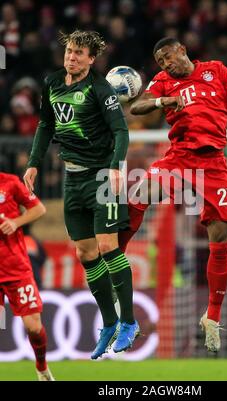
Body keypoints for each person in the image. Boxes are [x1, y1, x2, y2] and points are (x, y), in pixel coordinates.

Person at [118, 37, 227, 352]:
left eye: (168, 57)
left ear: (182, 50)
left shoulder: (216, 71)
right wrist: (161, 102)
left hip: (214, 165)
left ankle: (212, 316)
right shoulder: (164, 81)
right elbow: (137, 106)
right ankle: (116, 258)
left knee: (221, 237)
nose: (166, 65)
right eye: (161, 62)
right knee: (141, 193)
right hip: (179, 157)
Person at [23, 30, 139, 359]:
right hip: (72, 179)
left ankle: (129, 321)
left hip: (102, 176)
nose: (72, 57)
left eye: (79, 53)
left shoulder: (100, 89)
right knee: (86, 254)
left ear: (91, 59)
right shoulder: (52, 83)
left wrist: (117, 167)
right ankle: (109, 322)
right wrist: (33, 164)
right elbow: (46, 125)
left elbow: (120, 130)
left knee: (106, 246)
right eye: (70, 51)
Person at [0, 172, 54, 380]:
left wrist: (16, 222)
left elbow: (39, 209)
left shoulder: (10, 183)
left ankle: (41, 367)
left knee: (33, 328)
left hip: (15, 268)